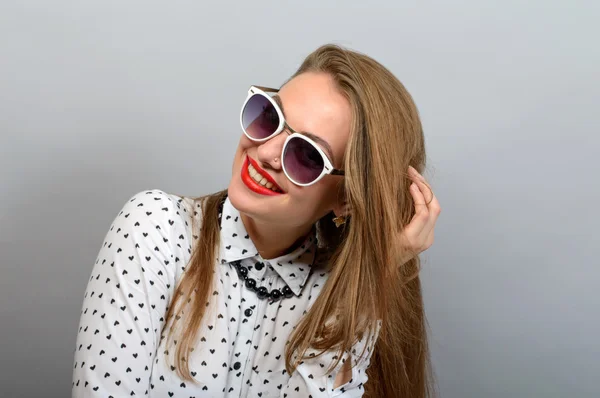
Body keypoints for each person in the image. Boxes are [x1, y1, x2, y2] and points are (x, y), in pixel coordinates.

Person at [71, 43, 441, 398]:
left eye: (307, 155)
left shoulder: (343, 301)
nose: (264, 152)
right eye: (270, 118)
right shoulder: (156, 229)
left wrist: (371, 281)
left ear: (345, 199)